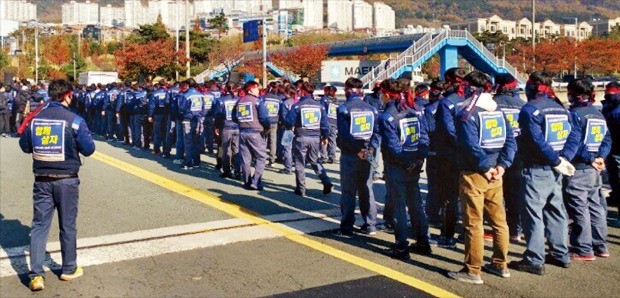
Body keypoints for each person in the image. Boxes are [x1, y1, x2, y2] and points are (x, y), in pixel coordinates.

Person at [19, 79, 95, 291]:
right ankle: (69, 268)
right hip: (67, 179)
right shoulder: (75, 120)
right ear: (67, 95)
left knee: (39, 226)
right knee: (67, 225)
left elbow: (25, 146)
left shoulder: (35, 119)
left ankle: (36, 275)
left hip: (42, 179)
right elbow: (88, 149)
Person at [447, 71, 516, 284]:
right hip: (496, 173)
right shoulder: (497, 110)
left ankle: (472, 270)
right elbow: (510, 140)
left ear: (468, 86)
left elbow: (469, 145)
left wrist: (486, 167)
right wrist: (503, 165)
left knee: (473, 223)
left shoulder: (465, 112)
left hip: (474, 173)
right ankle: (500, 264)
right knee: (499, 221)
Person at [510, 71, 575, 275]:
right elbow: (574, 135)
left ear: (533, 87)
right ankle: (560, 253)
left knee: (533, 214)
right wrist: (563, 159)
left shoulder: (530, 110)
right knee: (556, 211)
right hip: (555, 169)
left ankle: (534, 259)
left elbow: (535, 140)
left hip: (537, 168)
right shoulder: (560, 108)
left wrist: (556, 160)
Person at [377, 78, 431, 258]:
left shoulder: (387, 116)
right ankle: (423, 241)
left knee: (399, 206)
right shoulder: (414, 110)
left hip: (398, 166)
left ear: (385, 94)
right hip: (414, 164)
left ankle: (401, 246)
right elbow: (424, 138)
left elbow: (393, 146)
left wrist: (406, 163)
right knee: (416, 204)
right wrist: (417, 160)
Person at [561, 78, 612, 260]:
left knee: (579, 208)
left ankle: (583, 248)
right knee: (596, 206)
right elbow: (607, 140)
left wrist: (590, 158)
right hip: (595, 169)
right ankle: (600, 245)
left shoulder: (575, 114)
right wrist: (600, 157)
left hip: (580, 167)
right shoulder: (597, 114)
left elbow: (575, 142)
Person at [332, 77, 377, 237]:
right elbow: (377, 133)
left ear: (347, 90)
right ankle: (371, 225)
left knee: (349, 192)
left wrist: (354, 149)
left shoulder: (344, 108)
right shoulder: (371, 109)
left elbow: (344, 137)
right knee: (367, 189)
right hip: (367, 154)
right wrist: (370, 149)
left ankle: (346, 228)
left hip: (350, 155)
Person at [434, 67, 467, 249]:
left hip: (449, 155)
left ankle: (447, 236)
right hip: (468, 155)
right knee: (467, 197)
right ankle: (465, 233)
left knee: (449, 197)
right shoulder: (468, 99)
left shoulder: (447, 103)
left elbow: (448, 130)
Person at [285, 81, 333, 197]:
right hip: (315, 137)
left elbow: (288, 121)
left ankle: (301, 188)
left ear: (302, 91)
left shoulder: (297, 105)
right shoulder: (319, 106)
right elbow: (325, 124)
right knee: (314, 160)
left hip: (301, 136)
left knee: (299, 163)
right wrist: (325, 136)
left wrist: (291, 127)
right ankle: (326, 180)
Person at [493, 74, 526, 242]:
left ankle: (496, 230)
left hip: (496, 154)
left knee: (495, 196)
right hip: (518, 155)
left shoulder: (492, 105)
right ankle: (515, 230)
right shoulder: (522, 105)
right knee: (515, 195)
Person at [233, 81, 270, 190]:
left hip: (243, 132)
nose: (258, 90)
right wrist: (266, 127)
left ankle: (246, 181)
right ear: (250, 89)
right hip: (255, 132)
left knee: (245, 158)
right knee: (262, 156)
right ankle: (255, 180)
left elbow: (234, 117)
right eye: (256, 88)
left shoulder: (239, 101)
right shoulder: (257, 101)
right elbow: (264, 117)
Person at [423, 79, 445, 227]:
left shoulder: (430, 109)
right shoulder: (458, 104)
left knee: (435, 185)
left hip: (435, 151)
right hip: (451, 151)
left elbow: (428, 131)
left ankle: (433, 215)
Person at [602, 81, 620, 227]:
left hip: (616, 149)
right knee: (615, 182)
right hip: (612, 149)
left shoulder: (615, 110)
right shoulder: (609, 106)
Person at [214, 82, 241, 179]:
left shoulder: (221, 100)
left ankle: (227, 171)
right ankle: (237, 170)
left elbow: (218, 115)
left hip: (226, 127)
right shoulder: (239, 100)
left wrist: (216, 126)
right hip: (237, 127)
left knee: (226, 150)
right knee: (236, 149)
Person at [178, 79, 205, 169]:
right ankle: (197, 162)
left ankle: (188, 163)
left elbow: (181, 108)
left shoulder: (185, 95)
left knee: (188, 141)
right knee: (196, 140)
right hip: (198, 119)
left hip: (188, 119)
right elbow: (203, 107)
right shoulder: (200, 95)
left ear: (188, 85)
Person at [148, 83, 171, 156]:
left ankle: (157, 150)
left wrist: (150, 115)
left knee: (157, 133)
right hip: (167, 114)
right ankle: (166, 151)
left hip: (157, 114)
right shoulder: (168, 92)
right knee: (166, 133)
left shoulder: (154, 93)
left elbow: (152, 105)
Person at [278, 86, 297, 174]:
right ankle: (296, 164)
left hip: (288, 128)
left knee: (287, 148)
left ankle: (288, 167)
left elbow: (283, 117)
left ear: (287, 93)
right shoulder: (297, 102)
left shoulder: (285, 103)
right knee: (295, 148)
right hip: (298, 128)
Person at [263, 82, 281, 167]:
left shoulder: (264, 98)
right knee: (273, 141)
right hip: (275, 121)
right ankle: (272, 159)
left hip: (266, 121)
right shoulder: (278, 99)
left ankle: (261, 158)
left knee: (263, 140)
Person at [320, 86, 338, 164]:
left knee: (324, 138)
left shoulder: (324, 99)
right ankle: (332, 157)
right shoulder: (336, 101)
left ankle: (324, 157)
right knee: (332, 140)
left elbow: (322, 110)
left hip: (326, 122)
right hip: (334, 122)